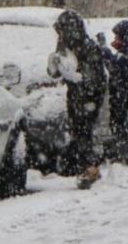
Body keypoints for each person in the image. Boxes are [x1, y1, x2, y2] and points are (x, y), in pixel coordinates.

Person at [47, 10, 107, 189]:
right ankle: (87, 167)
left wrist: (78, 78)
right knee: (79, 131)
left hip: (89, 96)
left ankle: (88, 169)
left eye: (63, 31)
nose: (61, 36)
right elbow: (57, 70)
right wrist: (56, 66)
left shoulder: (88, 47)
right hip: (75, 95)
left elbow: (94, 77)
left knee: (83, 131)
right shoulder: (67, 47)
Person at [99, 21, 128, 166]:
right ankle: (119, 152)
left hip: (123, 90)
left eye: (118, 36)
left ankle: (123, 154)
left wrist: (105, 51)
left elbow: (116, 64)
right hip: (124, 89)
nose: (116, 39)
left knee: (119, 122)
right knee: (117, 121)